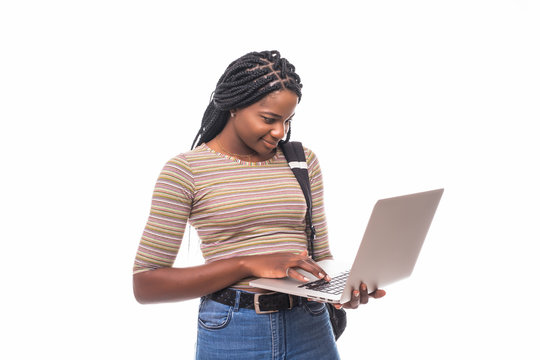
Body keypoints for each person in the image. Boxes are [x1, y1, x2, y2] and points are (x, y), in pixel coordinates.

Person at [133, 50, 385, 359]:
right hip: (233, 330)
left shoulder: (302, 161)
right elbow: (146, 285)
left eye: (287, 121)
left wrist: (341, 290)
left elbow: (320, 257)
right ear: (234, 106)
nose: (280, 132)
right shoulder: (185, 171)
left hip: (310, 325)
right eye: (269, 119)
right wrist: (248, 264)